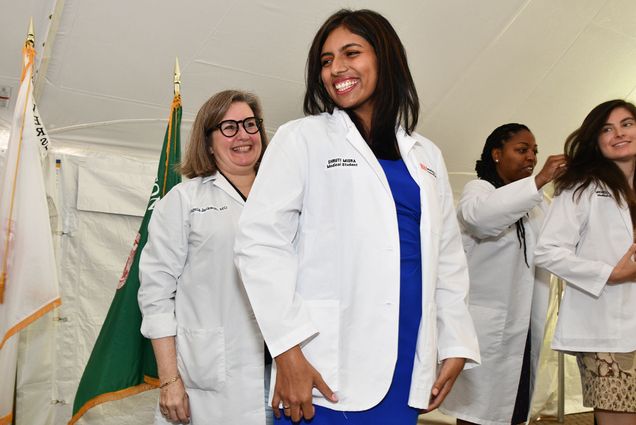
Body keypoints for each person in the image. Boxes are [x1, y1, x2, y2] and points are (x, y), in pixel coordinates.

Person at [234, 8, 480, 425]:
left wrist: (456, 341)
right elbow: (259, 244)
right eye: (326, 61)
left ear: (386, 58)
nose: (336, 69)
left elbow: (448, 259)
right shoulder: (303, 138)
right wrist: (289, 352)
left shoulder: (427, 155)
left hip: (409, 348)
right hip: (327, 359)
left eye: (351, 53)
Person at [138, 90, 271, 424]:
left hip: (282, 378)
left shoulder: (283, 197)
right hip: (211, 382)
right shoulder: (183, 200)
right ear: (208, 142)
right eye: (229, 127)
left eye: (250, 124)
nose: (243, 135)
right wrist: (169, 380)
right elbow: (155, 296)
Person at [439, 124, 566, 425]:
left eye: (534, 151)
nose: (531, 157)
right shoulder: (479, 191)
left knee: (514, 409)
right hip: (485, 330)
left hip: (522, 332)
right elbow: (482, 220)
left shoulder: (538, 206)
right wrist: (540, 181)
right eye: (522, 150)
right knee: (477, 412)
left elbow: (558, 246)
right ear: (497, 154)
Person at [535, 99, 636, 425]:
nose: (618, 133)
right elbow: (547, 250)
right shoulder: (582, 187)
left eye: (627, 124)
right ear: (596, 139)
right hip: (604, 332)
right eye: (607, 128)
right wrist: (610, 274)